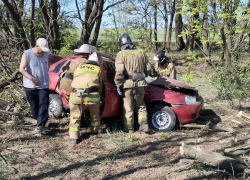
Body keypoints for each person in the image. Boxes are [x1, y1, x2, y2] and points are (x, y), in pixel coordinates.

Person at [114, 33, 151, 133]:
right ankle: (144, 128)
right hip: (141, 84)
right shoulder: (141, 52)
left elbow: (119, 72)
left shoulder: (121, 54)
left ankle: (129, 129)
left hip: (128, 85)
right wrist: (144, 76)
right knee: (141, 106)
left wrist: (118, 84)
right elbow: (148, 68)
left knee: (128, 107)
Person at [68, 52, 103, 145]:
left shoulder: (78, 68)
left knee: (75, 116)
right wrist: (99, 96)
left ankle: (73, 138)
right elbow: (100, 86)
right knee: (94, 114)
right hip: (91, 95)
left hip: (75, 94)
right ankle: (94, 132)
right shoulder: (98, 69)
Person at [19, 38, 51, 135]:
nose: (43, 51)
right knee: (34, 106)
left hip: (43, 85)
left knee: (44, 104)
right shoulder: (27, 54)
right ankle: (39, 124)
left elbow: (54, 58)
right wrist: (32, 79)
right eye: (42, 49)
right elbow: (21, 69)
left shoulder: (46, 54)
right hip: (30, 85)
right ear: (36, 46)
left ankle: (41, 125)